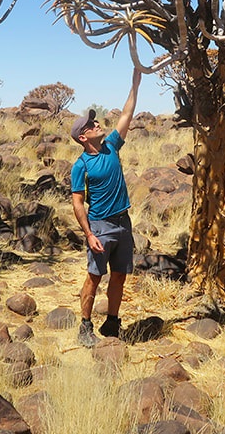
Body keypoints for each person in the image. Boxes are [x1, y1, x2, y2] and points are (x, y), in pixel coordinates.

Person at [70, 67, 141, 347]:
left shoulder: (112, 145)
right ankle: (85, 325)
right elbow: (77, 202)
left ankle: (112, 321)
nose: (96, 124)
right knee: (94, 277)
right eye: (90, 125)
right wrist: (89, 234)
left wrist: (135, 82)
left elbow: (126, 115)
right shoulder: (81, 165)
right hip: (100, 226)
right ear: (82, 137)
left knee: (120, 276)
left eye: (95, 121)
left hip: (123, 223)